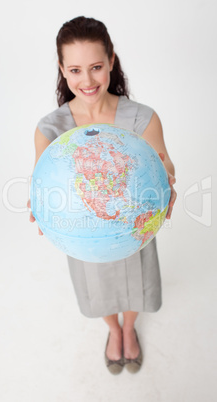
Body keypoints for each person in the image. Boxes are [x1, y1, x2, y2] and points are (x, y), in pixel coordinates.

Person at [27, 16, 177, 375]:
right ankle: (113, 329)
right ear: (62, 70)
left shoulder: (142, 118)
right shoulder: (50, 128)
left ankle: (129, 328)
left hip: (133, 227)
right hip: (81, 233)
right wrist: (41, 203)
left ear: (112, 60)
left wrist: (167, 179)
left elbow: (164, 164)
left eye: (96, 67)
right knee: (97, 287)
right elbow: (43, 183)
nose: (88, 80)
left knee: (138, 283)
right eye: (75, 70)